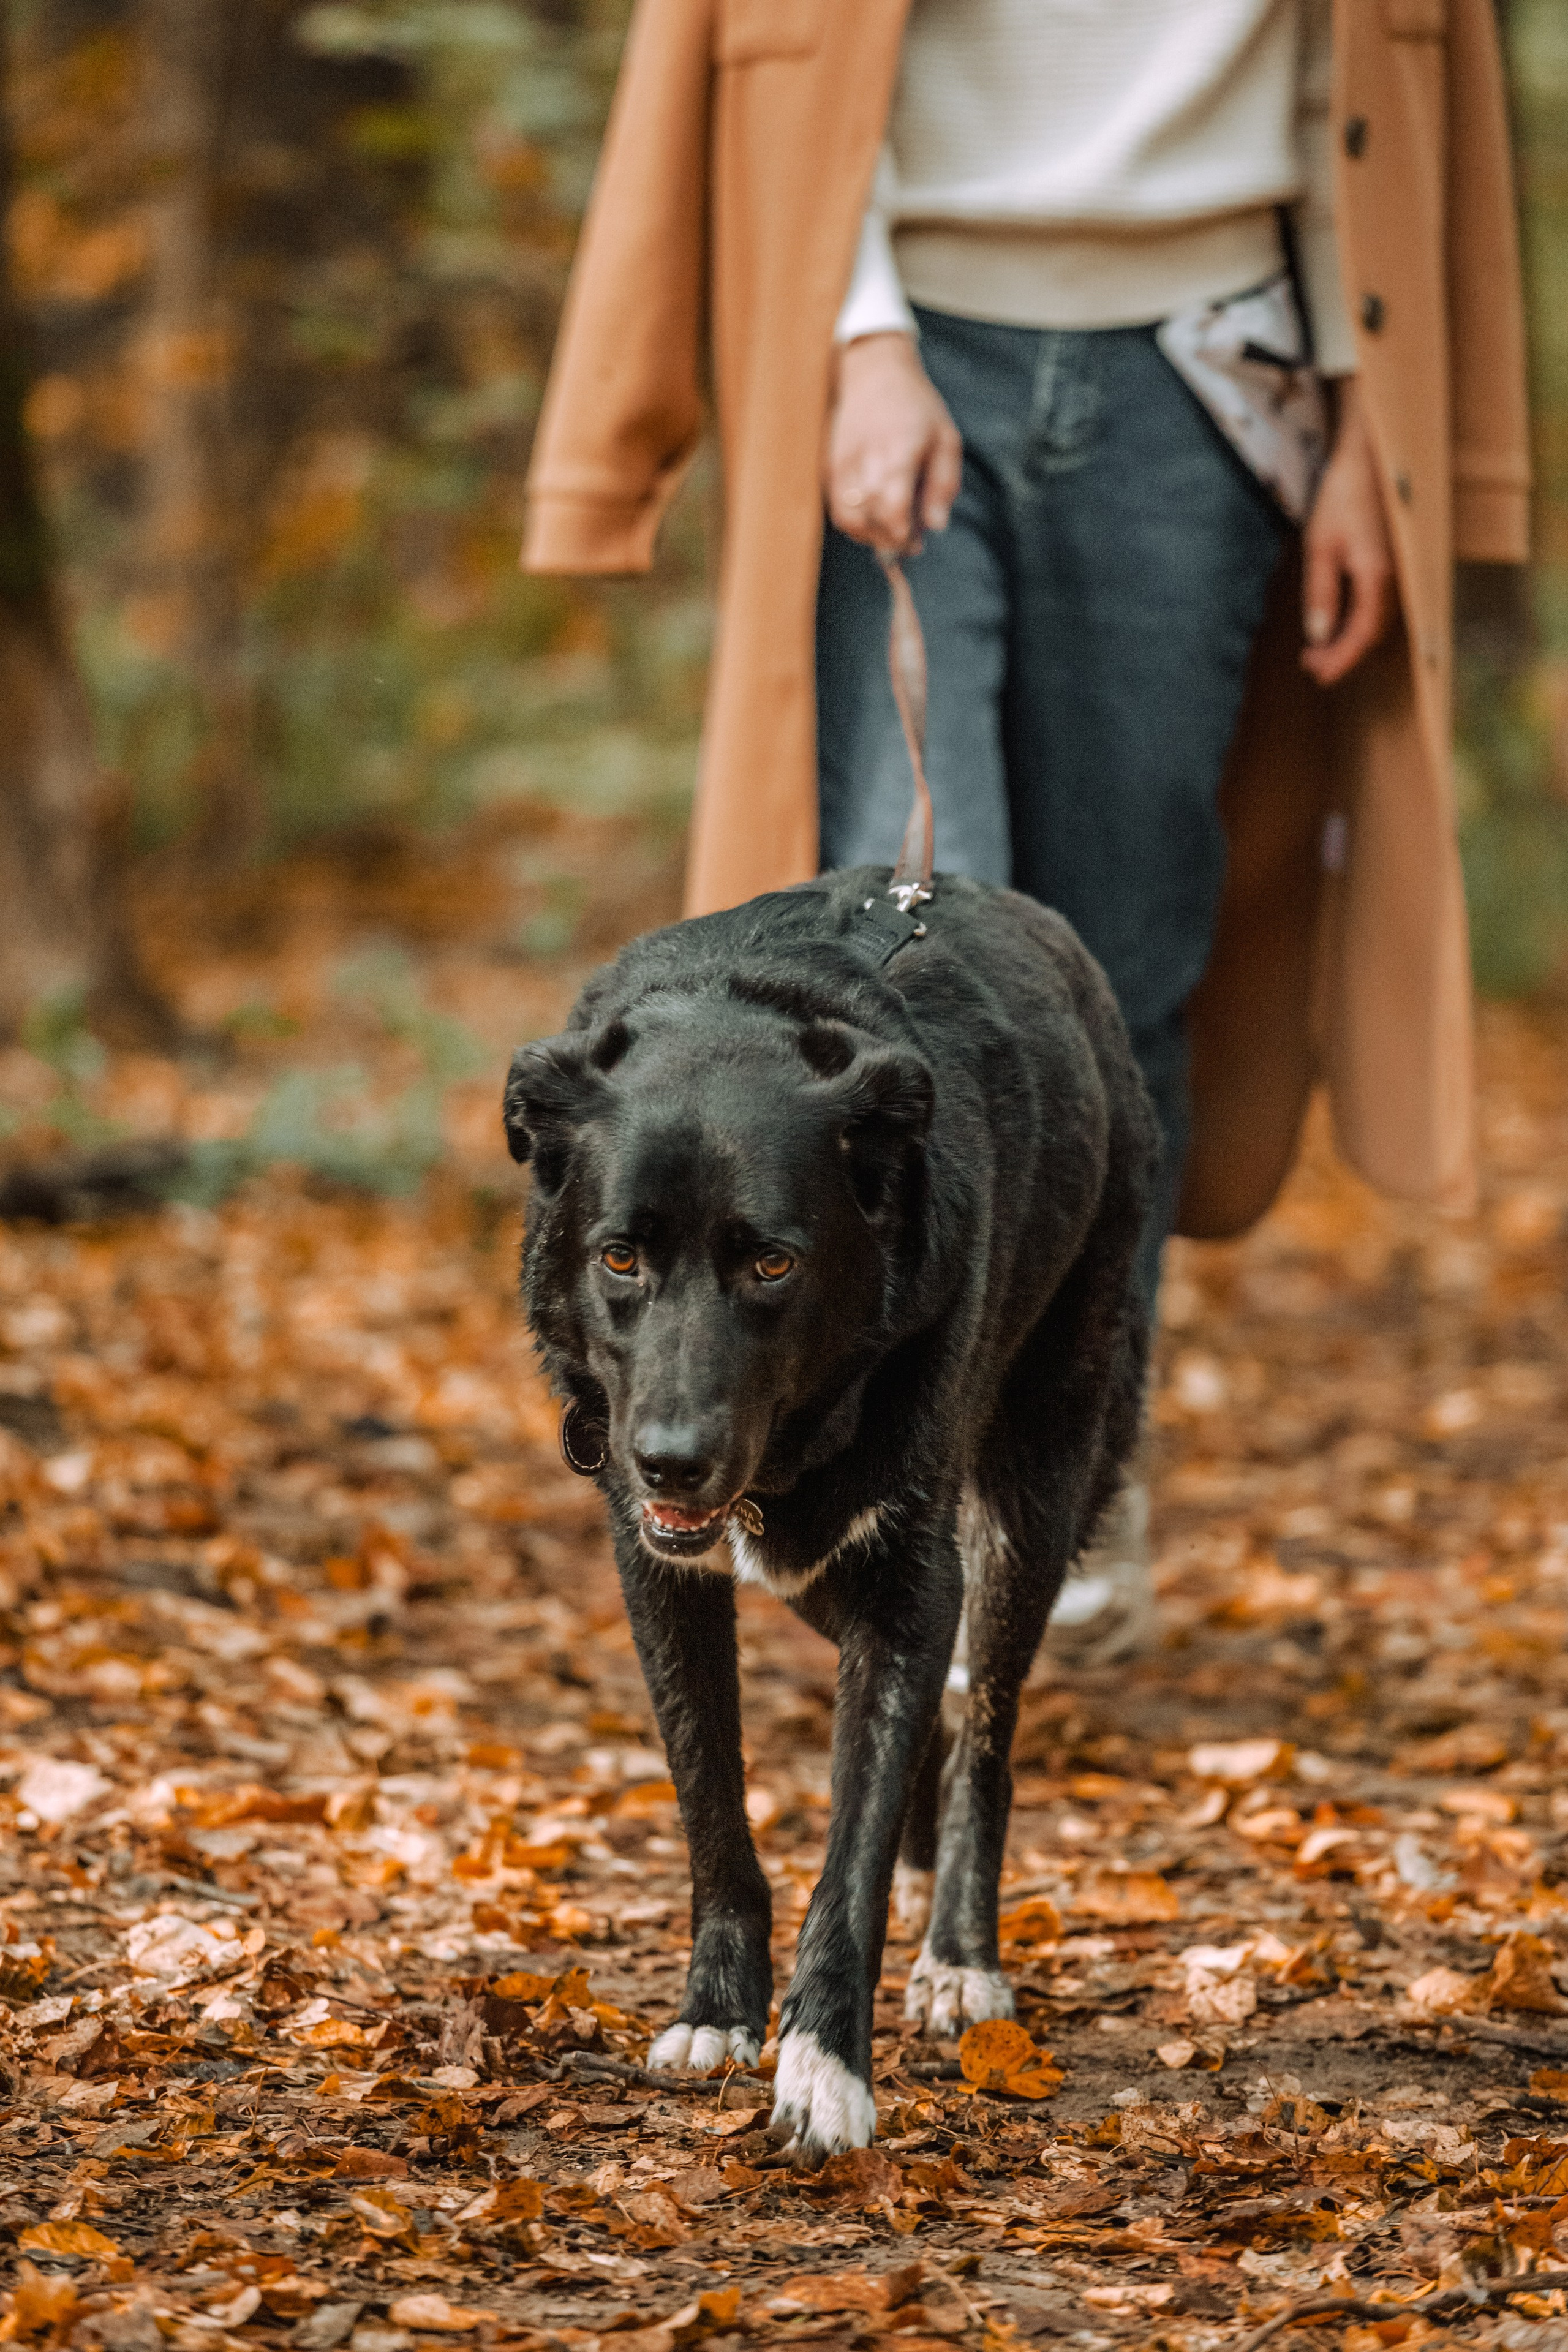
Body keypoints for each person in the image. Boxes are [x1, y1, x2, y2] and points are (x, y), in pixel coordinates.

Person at [521, 0, 1529, 1656]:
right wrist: (858, 335)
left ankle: (1065, 1467)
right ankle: (861, 1476)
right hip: (906, 328)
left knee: (1120, 983)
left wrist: (1374, 421)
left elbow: (1358, 71)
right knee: (905, 974)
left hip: (1214, 364)